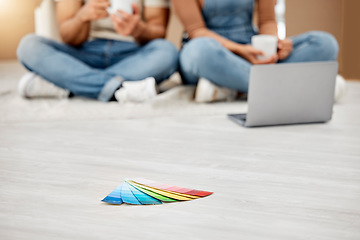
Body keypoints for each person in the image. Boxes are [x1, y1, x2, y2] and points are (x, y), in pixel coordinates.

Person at [171, 0, 344, 103]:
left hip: (251, 49)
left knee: (324, 43)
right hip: (212, 51)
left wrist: (274, 44)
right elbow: (197, 31)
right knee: (199, 51)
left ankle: (234, 86)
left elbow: (267, 21)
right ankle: (298, 89)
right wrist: (240, 51)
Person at [17, 0, 178, 103]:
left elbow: (158, 32)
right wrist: (82, 17)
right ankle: (118, 90)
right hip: (84, 53)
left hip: (131, 55)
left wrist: (137, 29)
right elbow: (68, 36)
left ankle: (70, 83)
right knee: (29, 46)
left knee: (167, 52)